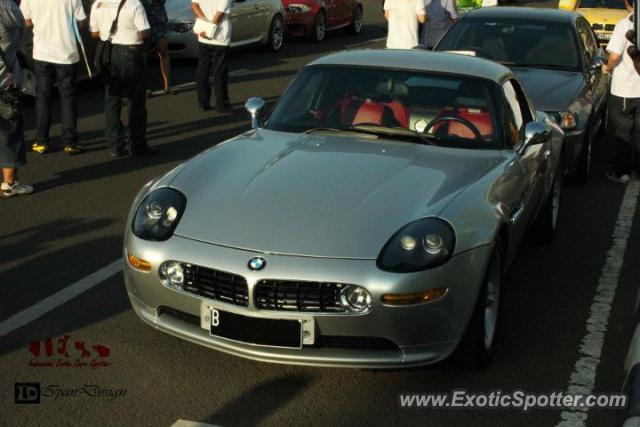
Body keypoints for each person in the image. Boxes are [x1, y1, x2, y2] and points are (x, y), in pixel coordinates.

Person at [20, 0, 86, 156]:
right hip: (66, 52)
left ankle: (41, 141)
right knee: (68, 97)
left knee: (43, 97)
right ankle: (70, 142)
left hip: (42, 53)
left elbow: (26, 20)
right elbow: (81, 21)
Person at [90, 0, 155, 157]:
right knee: (136, 101)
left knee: (112, 101)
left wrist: (110, 33)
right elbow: (145, 32)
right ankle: (137, 144)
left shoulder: (98, 3)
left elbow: (94, 33)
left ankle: (115, 144)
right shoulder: (133, 3)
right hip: (131, 52)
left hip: (109, 54)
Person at [602, 0, 639, 183]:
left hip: (625, 88)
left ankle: (621, 172)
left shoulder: (625, 24)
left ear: (626, 2)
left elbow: (615, 56)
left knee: (622, 131)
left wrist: (607, 68)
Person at [0, 0, 32, 197]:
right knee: (10, 134)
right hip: (5, 83)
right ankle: (10, 183)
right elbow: (20, 30)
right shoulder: (6, 6)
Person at [192, 0, 232, 113]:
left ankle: (203, 102)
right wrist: (210, 30)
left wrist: (204, 22)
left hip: (202, 36)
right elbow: (220, 13)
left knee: (203, 69)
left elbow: (194, 6)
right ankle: (222, 104)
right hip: (220, 37)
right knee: (219, 72)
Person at [141, 0, 172, 95]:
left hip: (159, 21)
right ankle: (144, 87)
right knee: (143, 55)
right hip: (142, 21)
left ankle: (167, 87)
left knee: (163, 52)